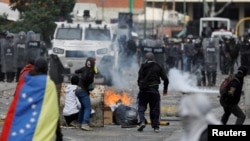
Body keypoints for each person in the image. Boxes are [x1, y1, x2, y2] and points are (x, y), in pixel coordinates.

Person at [0, 58, 59, 141]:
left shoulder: (26, 77)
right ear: (46, 69)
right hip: (41, 119)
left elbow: (17, 101)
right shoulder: (49, 84)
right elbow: (53, 109)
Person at [136, 52, 169, 133]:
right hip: (154, 91)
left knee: (140, 108)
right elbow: (166, 79)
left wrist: (140, 86)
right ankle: (156, 127)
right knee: (155, 109)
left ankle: (142, 121)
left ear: (146, 59)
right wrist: (165, 89)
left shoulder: (143, 66)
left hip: (144, 91)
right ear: (154, 58)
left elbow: (139, 78)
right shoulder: (158, 66)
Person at [74, 57, 96, 131]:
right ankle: (84, 124)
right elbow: (87, 79)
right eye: (88, 62)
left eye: (89, 62)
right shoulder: (90, 72)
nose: (88, 63)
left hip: (78, 90)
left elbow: (76, 71)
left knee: (83, 107)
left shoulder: (84, 68)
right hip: (82, 91)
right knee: (88, 108)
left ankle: (79, 123)